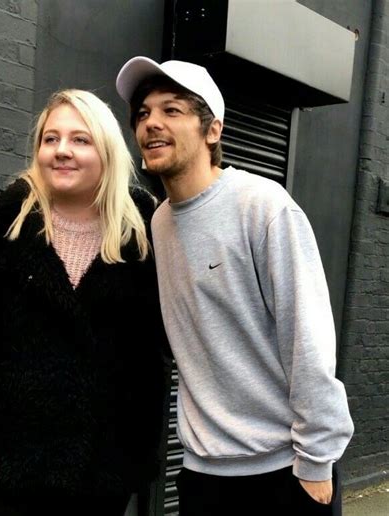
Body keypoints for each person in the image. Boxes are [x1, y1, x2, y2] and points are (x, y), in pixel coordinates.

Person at [116, 56, 354, 515]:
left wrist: (317, 461)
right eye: (143, 113)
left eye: (172, 110)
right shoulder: (160, 223)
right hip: (202, 475)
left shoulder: (262, 207)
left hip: (283, 472)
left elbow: (308, 337)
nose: (151, 123)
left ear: (213, 130)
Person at [0, 88, 168, 516]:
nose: (62, 151)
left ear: (107, 151)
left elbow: (161, 344)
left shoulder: (150, 232)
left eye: (80, 139)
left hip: (105, 463)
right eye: (50, 138)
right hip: (12, 458)